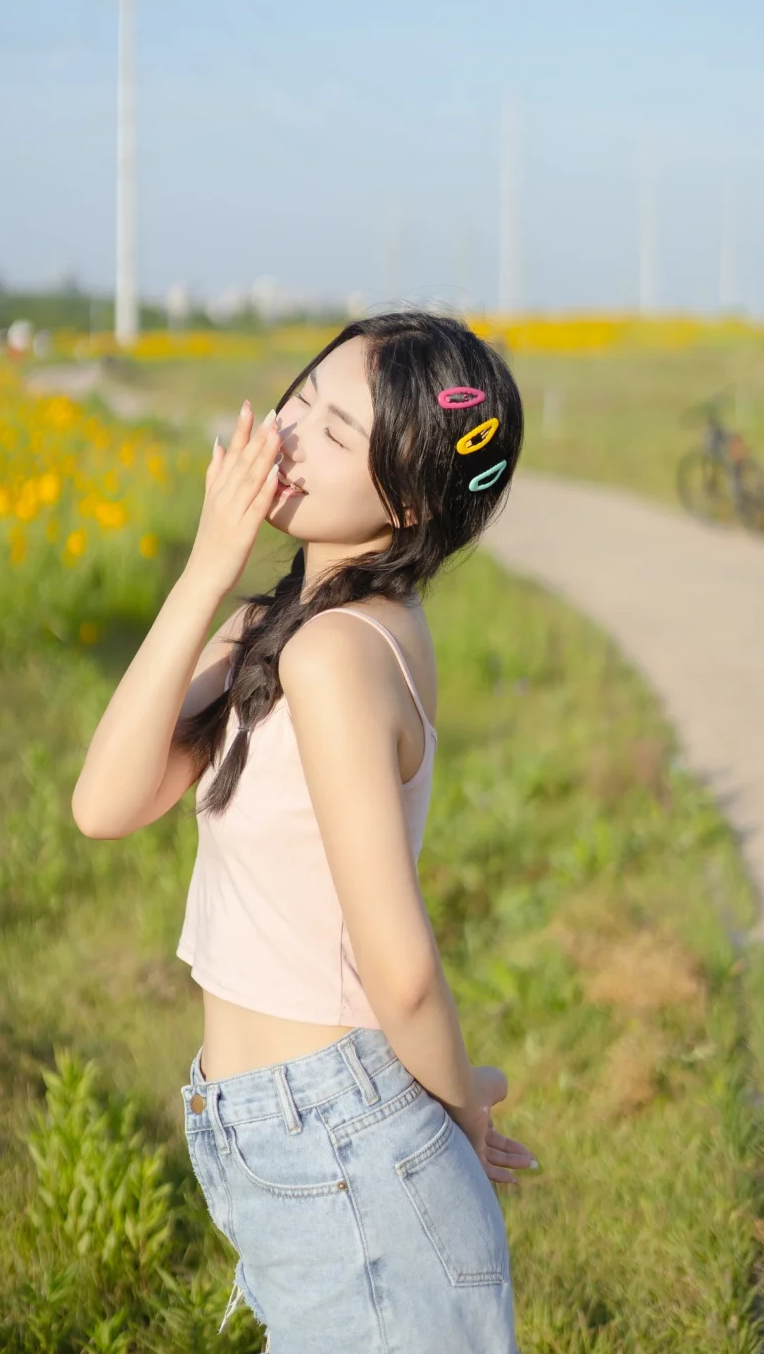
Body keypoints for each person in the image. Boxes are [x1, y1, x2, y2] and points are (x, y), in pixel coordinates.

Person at [72, 311, 536, 1352]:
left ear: (408, 499)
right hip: (276, 1133)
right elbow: (104, 804)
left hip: (341, 1138)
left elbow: (401, 965)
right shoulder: (275, 626)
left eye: (332, 432)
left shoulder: (336, 655)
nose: (287, 435)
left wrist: (458, 1117)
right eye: (300, 398)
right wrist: (206, 573)